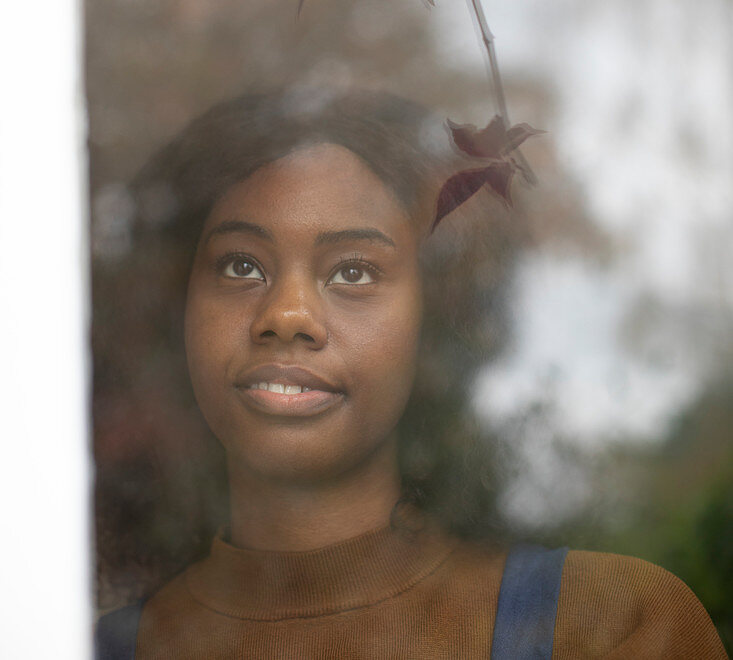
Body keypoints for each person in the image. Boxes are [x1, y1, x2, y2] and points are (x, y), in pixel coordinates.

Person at [93, 89, 728, 659]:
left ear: (436, 322)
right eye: (239, 265)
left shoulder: (606, 626)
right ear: (179, 312)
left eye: (353, 271)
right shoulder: (72, 644)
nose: (285, 315)